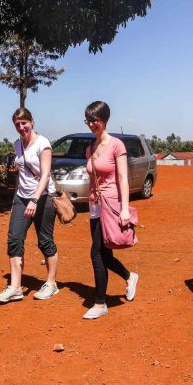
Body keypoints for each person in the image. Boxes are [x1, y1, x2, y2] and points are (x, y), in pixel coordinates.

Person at [0, 108, 59, 303]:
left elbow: (45, 175)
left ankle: (51, 283)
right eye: (17, 125)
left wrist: (35, 199)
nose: (21, 127)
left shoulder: (43, 144)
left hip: (44, 198)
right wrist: (16, 201)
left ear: (32, 121)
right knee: (14, 239)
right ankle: (15, 287)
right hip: (21, 198)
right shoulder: (17, 145)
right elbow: (20, 176)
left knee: (45, 241)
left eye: (24, 123)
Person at [83, 101, 138, 319]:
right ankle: (129, 275)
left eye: (94, 120)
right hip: (95, 205)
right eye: (87, 120)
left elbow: (123, 178)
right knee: (104, 252)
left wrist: (125, 208)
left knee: (96, 253)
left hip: (112, 204)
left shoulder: (117, 145)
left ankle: (100, 303)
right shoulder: (90, 148)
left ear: (104, 119)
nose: (90, 124)